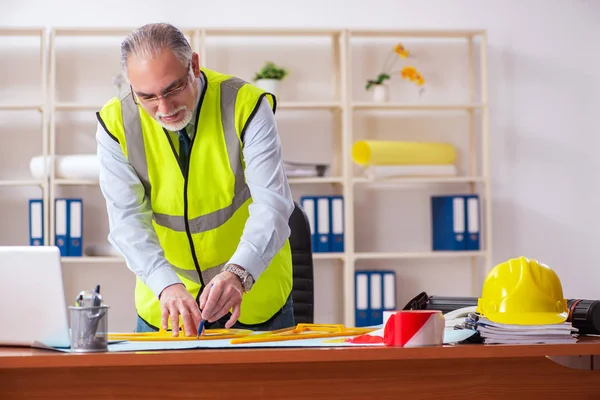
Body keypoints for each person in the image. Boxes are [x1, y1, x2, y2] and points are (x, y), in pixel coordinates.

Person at [95, 22, 296, 337]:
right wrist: (166, 285)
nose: (164, 109)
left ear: (195, 66)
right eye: (147, 96)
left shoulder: (246, 105)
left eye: (173, 89)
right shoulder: (115, 123)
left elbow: (272, 203)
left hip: (252, 295)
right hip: (168, 303)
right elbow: (126, 220)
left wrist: (240, 273)